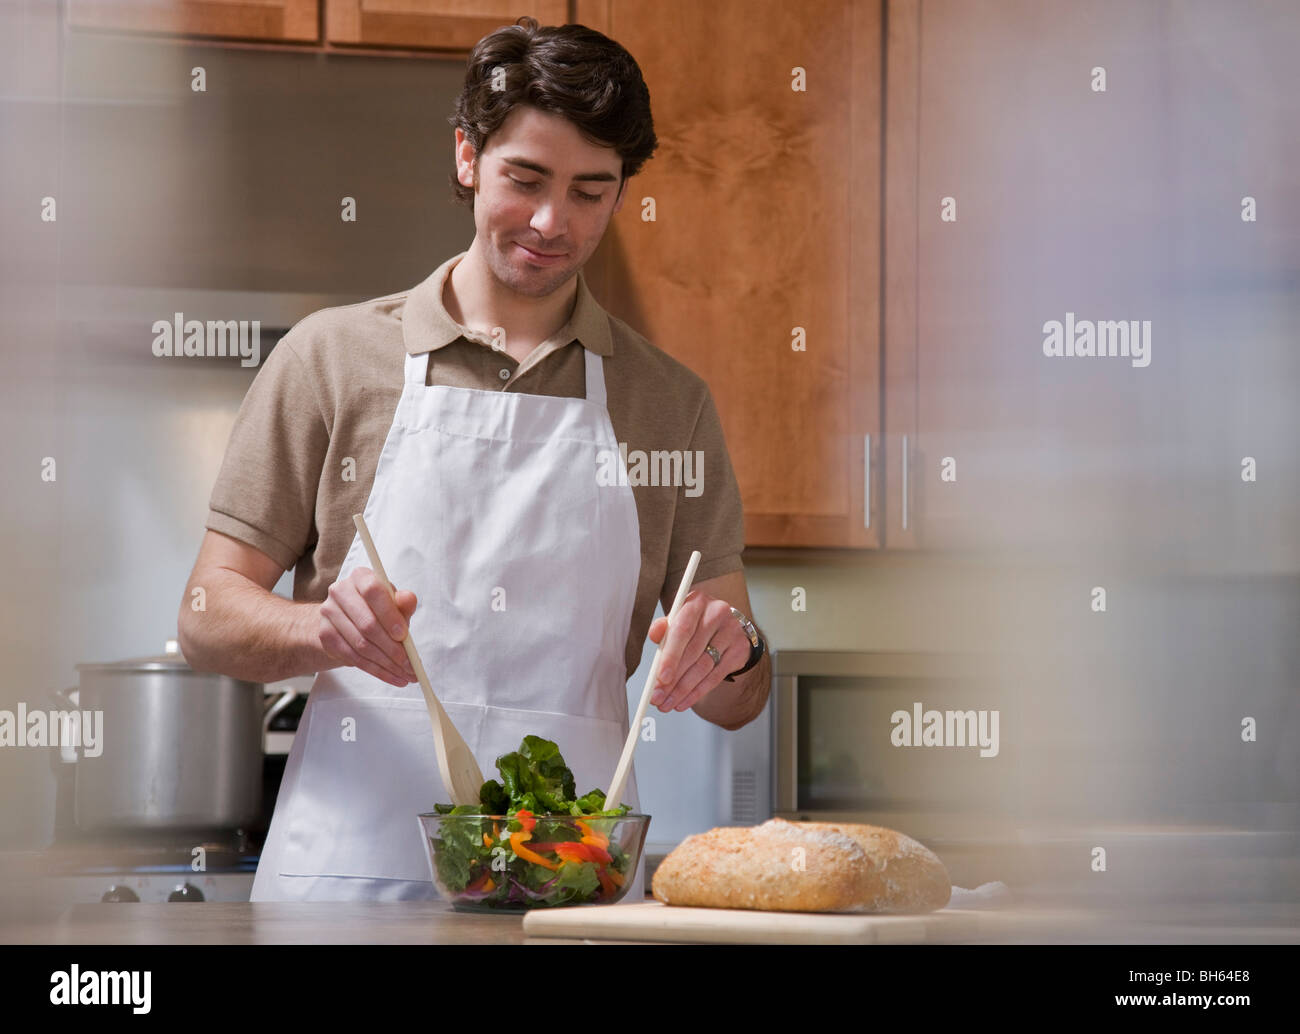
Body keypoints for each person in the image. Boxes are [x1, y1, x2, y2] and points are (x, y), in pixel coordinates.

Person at [177, 16, 770, 903]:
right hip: (344, 892)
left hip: (573, 890)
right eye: (524, 179)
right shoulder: (330, 358)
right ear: (467, 156)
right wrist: (318, 633)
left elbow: (738, 695)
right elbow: (204, 615)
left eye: (589, 191)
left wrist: (733, 652)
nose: (549, 221)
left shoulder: (666, 403)